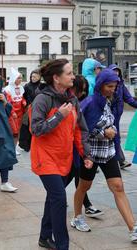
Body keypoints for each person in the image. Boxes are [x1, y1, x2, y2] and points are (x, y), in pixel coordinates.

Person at [30, 59, 92, 250]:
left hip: (63, 159)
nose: (73, 76)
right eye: (69, 73)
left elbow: (79, 130)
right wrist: (59, 116)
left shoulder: (72, 99)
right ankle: (63, 246)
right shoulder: (42, 98)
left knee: (53, 197)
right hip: (45, 159)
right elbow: (36, 129)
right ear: (56, 78)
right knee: (59, 199)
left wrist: (86, 154)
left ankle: (44, 237)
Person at [71, 69, 137, 243]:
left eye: (114, 87)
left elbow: (111, 124)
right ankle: (77, 217)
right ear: (100, 85)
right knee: (84, 187)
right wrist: (102, 132)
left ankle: (133, 229)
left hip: (108, 154)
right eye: (109, 86)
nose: (112, 90)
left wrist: (112, 131)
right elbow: (81, 131)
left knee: (118, 187)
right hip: (90, 155)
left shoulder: (110, 101)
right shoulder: (90, 103)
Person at [66, 75, 103, 218]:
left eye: (84, 90)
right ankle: (57, 200)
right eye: (79, 90)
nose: (82, 93)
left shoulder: (85, 102)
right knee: (69, 176)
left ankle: (86, 205)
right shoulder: (67, 101)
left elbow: (84, 127)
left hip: (81, 146)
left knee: (78, 175)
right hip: (70, 146)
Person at [108, 64, 137, 169]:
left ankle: (118, 160)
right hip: (109, 115)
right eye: (114, 71)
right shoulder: (108, 85)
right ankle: (120, 160)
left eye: (117, 71)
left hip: (117, 115)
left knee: (114, 137)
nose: (116, 73)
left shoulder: (121, 85)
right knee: (114, 137)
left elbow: (129, 99)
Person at [4, 68, 26, 155]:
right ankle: (11, 147)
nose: (20, 80)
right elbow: (8, 102)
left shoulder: (21, 88)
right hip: (12, 113)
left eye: (21, 78)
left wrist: (24, 102)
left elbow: (22, 97)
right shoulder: (8, 89)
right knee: (14, 131)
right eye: (18, 78)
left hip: (20, 113)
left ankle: (15, 146)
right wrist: (12, 112)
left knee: (19, 130)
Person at [19, 69, 41, 151]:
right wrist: (26, 104)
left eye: (35, 77)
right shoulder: (27, 86)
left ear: (39, 77)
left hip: (38, 109)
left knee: (36, 126)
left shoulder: (41, 86)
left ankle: (35, 145)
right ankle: (26, 145)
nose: (33, 78)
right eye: (32, 76)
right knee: (26, 127)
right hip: (28, 109)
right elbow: (23, 97)